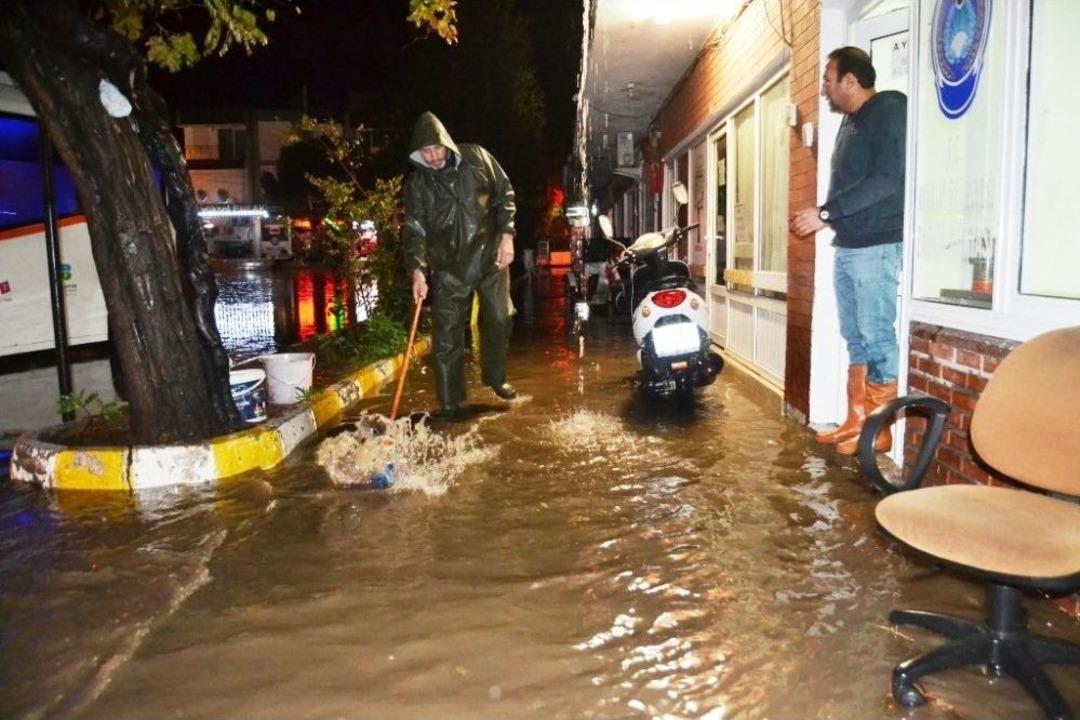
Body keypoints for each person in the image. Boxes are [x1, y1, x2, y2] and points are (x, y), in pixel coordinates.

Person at [789, 46, 906, 455]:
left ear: (850, 81)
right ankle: (856, 420)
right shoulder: (851, 123)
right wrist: (832, 219)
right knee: (855, 337)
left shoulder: (889, 108)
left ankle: (880, 427)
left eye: (827, 78)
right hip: (850, 244)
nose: (823, 87)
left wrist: (825, 212)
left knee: (876, 336)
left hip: (876, 244)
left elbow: (888, 179)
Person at [403, 111, 517, 419]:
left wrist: (507, 236)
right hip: (448, 266)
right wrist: (417, 270)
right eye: (426, 152)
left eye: (437, 148)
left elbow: (504, 193)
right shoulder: (418, 185)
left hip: (490, 253)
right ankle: (450, 400)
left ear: (446, 143)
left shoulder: (477, 157)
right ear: (418, 154)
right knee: (447, 334)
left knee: (499, 317)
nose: (434, 156)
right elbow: (415, 228)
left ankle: (495, 377)